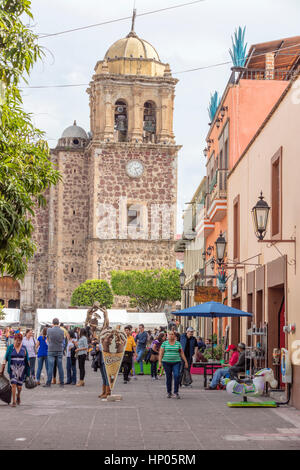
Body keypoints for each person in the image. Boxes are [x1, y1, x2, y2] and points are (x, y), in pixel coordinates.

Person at [0, 333, 30, 406]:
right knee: (13, 384)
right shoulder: (10, 348)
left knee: (19, 387)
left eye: (20, 340)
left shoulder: (24, 348)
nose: (18, 342)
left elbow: (27, 361)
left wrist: (29, 373)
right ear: (14, 340)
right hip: (12, 369)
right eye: (17, 340)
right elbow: (5, 359)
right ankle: (13, 401)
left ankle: (18, 396)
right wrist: (2, 370)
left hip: (21, 370)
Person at [158, 330, 189, 399]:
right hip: (166, 362)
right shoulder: (164, 344)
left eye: (172, 334)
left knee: (177, 375)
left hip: (176, 362)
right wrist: (160, 362)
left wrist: (186, 362)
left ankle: (176, 392)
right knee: (168, 377)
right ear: (167, 336)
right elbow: (161, 353)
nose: (171, 336)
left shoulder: (178, 344)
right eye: (169, 334)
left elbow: (182, 353)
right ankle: (169, 392)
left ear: (174, 336)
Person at [43, 318, 65, 388]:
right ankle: (61, 382)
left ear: (52, 323)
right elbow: (62, 340)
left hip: (51, 349)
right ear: (58, 323)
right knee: (60, 367)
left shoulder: (49, 330)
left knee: (50, 367)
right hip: (59, 349)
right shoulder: (62, 331)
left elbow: (48, 338)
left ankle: (48, 382)